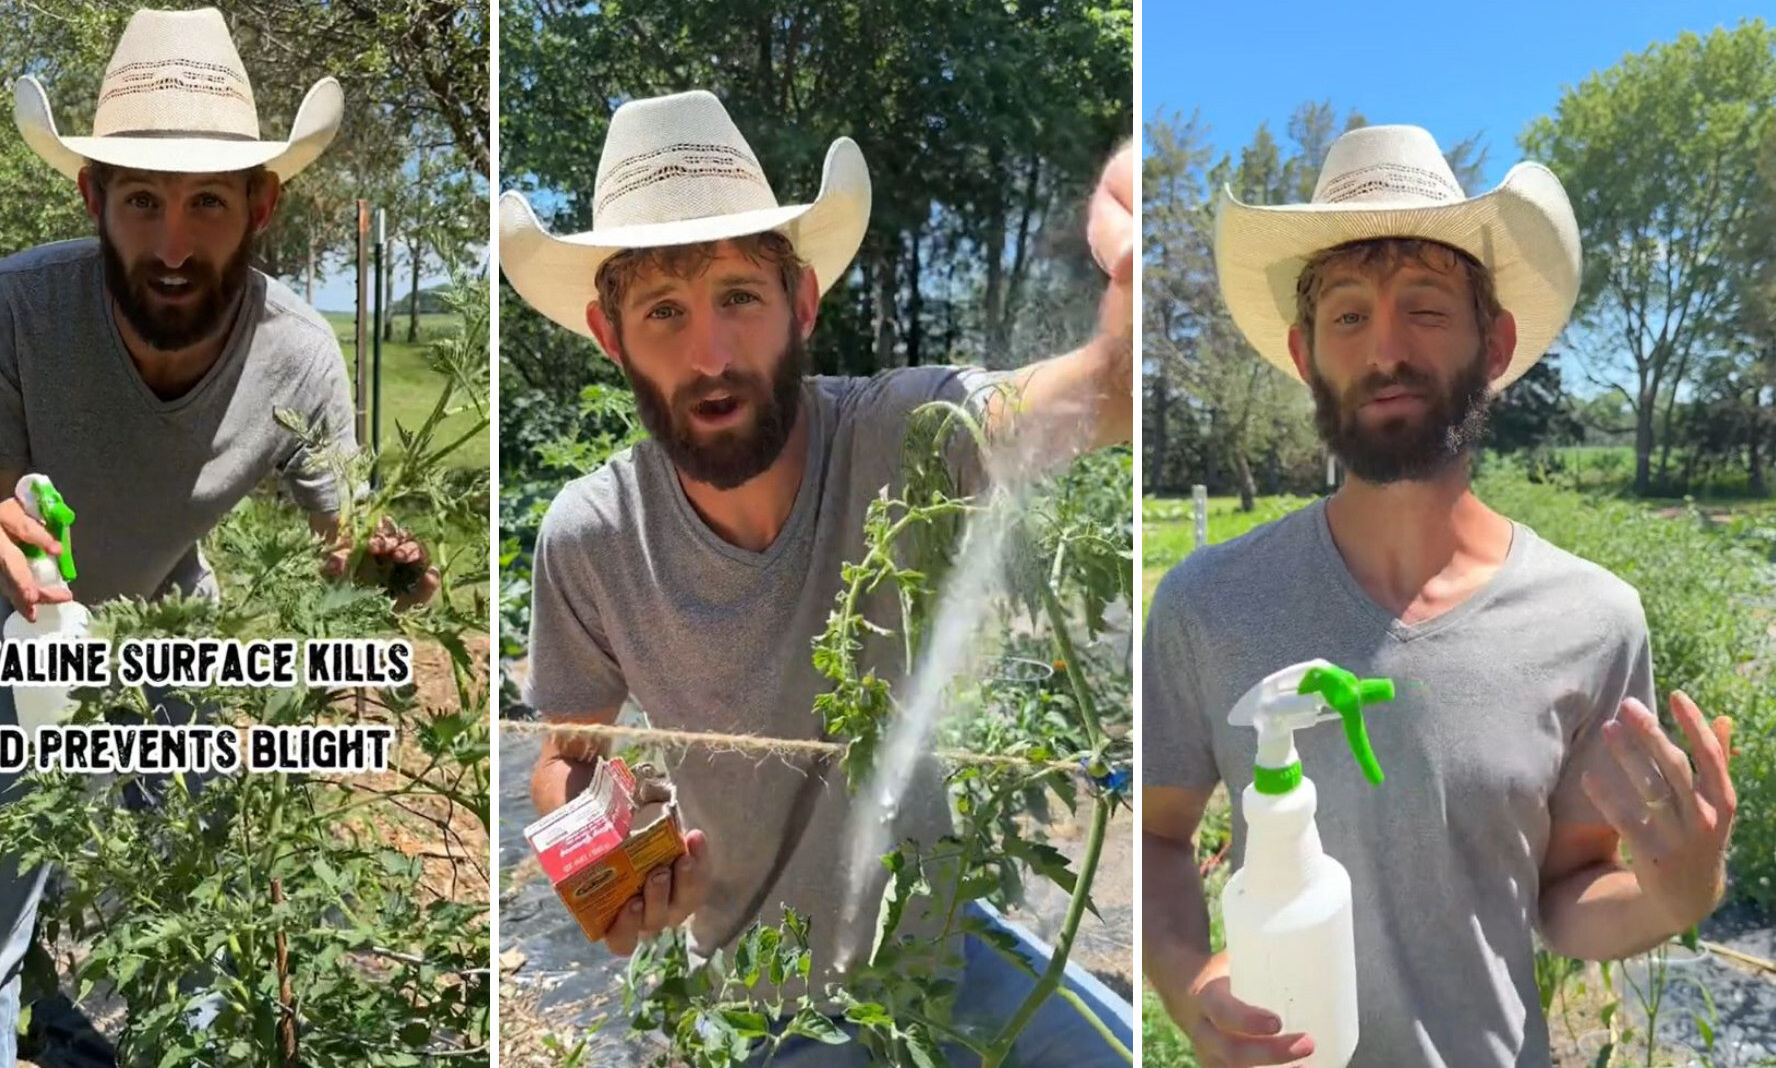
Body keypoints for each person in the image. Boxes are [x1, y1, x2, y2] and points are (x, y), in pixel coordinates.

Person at [498, 90, 1135, 1065]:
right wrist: (599, 858)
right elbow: (565, 754)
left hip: (938, 949)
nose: (710, 354)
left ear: (801, 301)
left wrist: (1139, 267)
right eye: (664, 312)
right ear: (609, 334)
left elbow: (1097, 392)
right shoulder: (590, 537)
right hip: (765, 1001)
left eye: (738, 298)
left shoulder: (906, 434)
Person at [1141, 124, 1739, 1067]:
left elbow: (1571, 888)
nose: (1385, 350)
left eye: (1425, 309)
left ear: (1492, 342)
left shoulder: (1592, 621)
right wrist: (1189, 981)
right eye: (1347, 315)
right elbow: (1156, 841)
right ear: (1304, 353)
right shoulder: (1204, 605)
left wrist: (1677, 892)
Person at [0, 8, 437, 1067]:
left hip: (173, 613)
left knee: (199, 882)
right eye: (143, 201)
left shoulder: (298, 355)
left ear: (263, 203)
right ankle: (1, 1018)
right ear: (93, 197)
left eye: (208, 201)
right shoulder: (16, 309)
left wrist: (380, 577)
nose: (172, 244)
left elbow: (341, 545)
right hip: (33, 618)